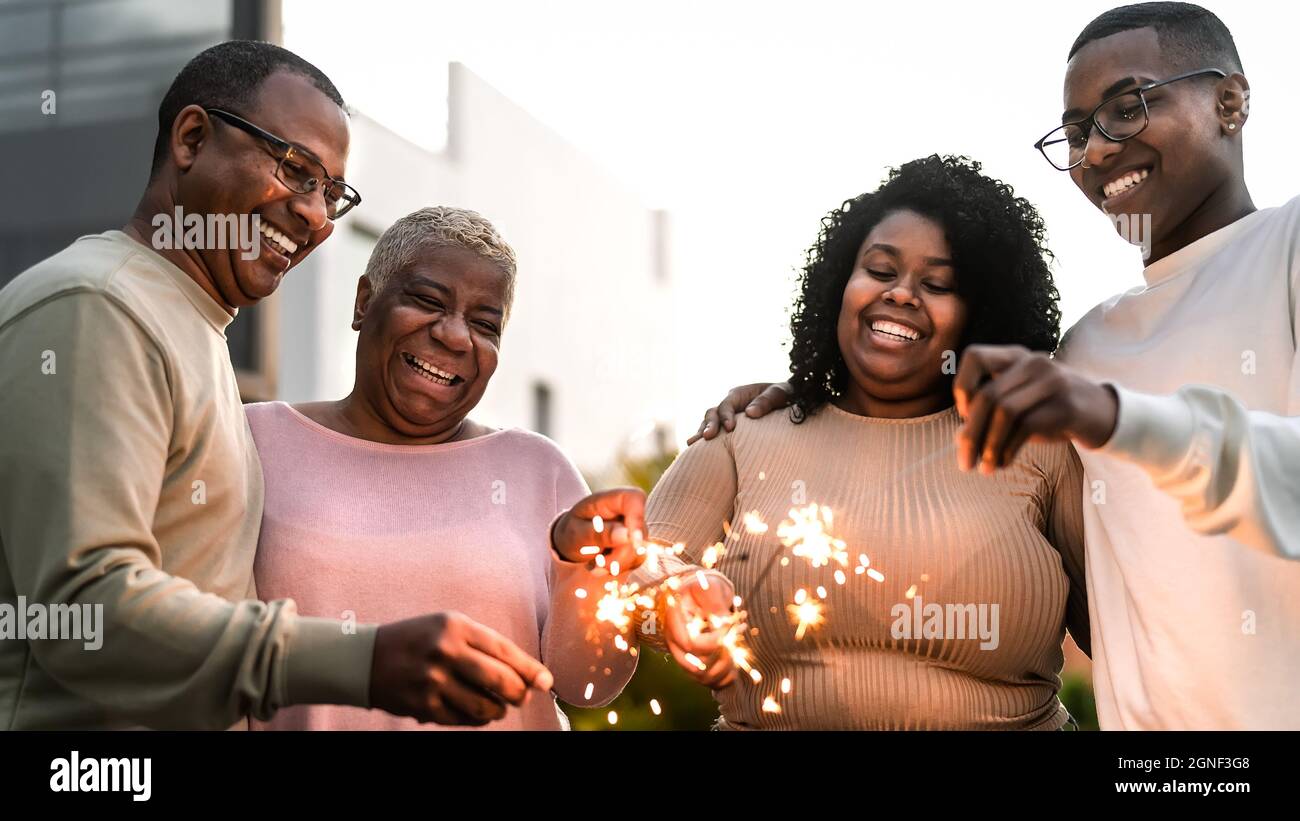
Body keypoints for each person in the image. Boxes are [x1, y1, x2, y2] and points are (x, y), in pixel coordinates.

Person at [698, 3, 1300, 730]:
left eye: (1128, 106)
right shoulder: (1088, 348)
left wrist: (1112, 415)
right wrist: (819, 390)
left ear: (1230, 101)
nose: (1098, 151)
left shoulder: (1289, 250)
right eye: (1077, 132)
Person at [0, 42, 548, 730]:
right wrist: (364, 660)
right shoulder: (98, 307)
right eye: (295, 170)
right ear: (193, 138)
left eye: (333, 194)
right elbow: (82, 607)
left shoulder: (188, 327)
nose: (316, 215)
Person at [628, 155, 1090, 729]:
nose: (901, 294)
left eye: (938, 284)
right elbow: (633, 576)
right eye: (879, 269)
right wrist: (671, 595)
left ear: (980, 317)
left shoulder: (1037, 446)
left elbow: (1124, 628)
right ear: (840, 285)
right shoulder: (741, 435)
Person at [247, 207, 646, 729]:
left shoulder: (536, 468)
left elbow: (589, 684)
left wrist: (590, 571)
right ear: (365, 301)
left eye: (485, 324)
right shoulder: (254, 439)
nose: (456, 337)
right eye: (428, 301)